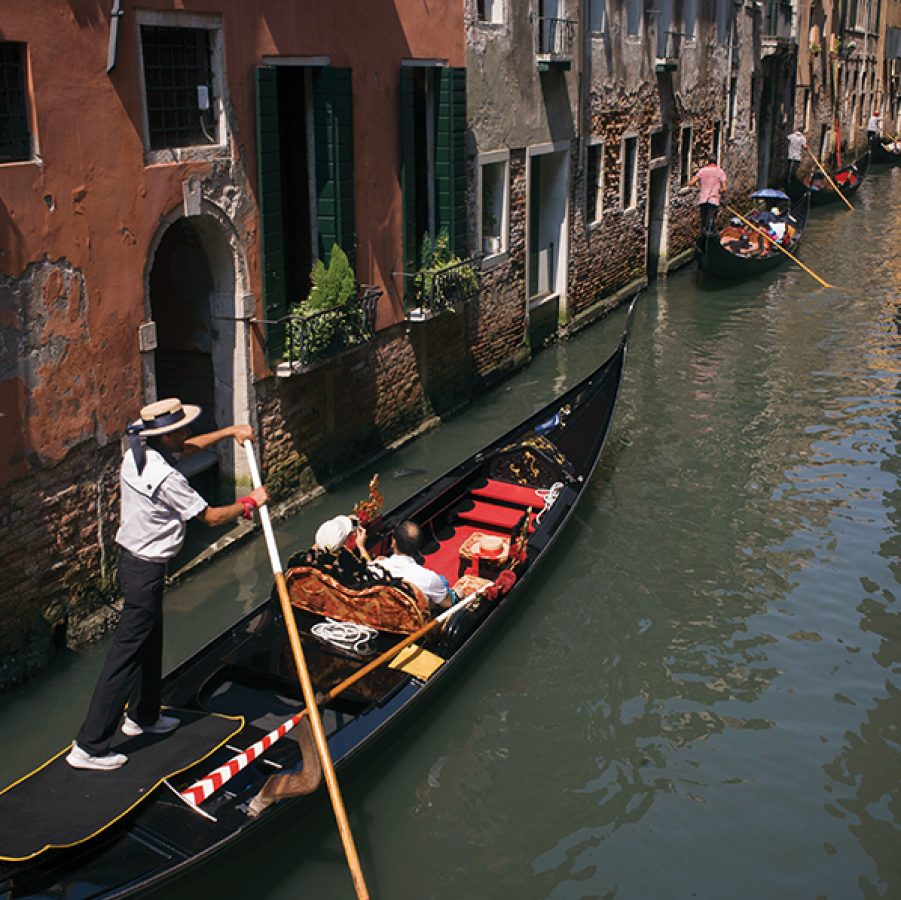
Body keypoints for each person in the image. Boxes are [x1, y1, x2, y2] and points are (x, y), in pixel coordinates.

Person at [67, 398, 269, 771]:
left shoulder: (139, 451)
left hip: (139, 566)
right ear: (167, 435)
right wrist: (249, 502)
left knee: (150, 643)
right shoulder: (165, 477)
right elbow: (208, 517)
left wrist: (229, 431)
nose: (188, 433)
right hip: (143, 571)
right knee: (125, 657)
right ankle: (90, 746)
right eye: (182, 430)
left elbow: (186, 447)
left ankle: (142, 716)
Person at [364, 520, 450, 611]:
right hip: (416, 619)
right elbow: (447, 603)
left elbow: (370, 569)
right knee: (443, 581)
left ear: (393, 542)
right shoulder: (429, 578)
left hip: (389, 613)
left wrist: (361, 547)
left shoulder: (376, 568)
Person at [302, 514, 371, 585]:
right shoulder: (345, 559)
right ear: (345, 541)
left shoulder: (311, 560)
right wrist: (361, 546)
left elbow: (319, 545)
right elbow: (371, 572)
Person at [689, 154, 728, 235]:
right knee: (711, 220)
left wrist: (701, 185)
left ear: (708, 161)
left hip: (703, 200)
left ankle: (704, 236)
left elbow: (691, 183)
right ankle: (710, 236)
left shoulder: (702, 171)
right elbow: (724, 188)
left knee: (704, 221)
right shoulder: (720, 172)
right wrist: (719, 190)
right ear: (716, 161)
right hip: (714, 200)